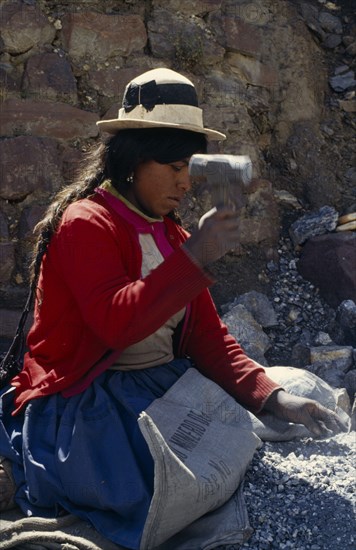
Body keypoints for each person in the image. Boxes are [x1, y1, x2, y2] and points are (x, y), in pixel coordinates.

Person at [0, 68, 346, 548]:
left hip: (157, 383)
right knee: (147, 487)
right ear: (134, 161)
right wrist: (196, 256)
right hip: (90, 396)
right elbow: (117, 324)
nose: (186, 183)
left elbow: (206, 334)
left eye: (190, 168)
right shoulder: (86, 223)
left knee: (229, 444)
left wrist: (271, 397)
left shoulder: (168, 232)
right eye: (173, 167)